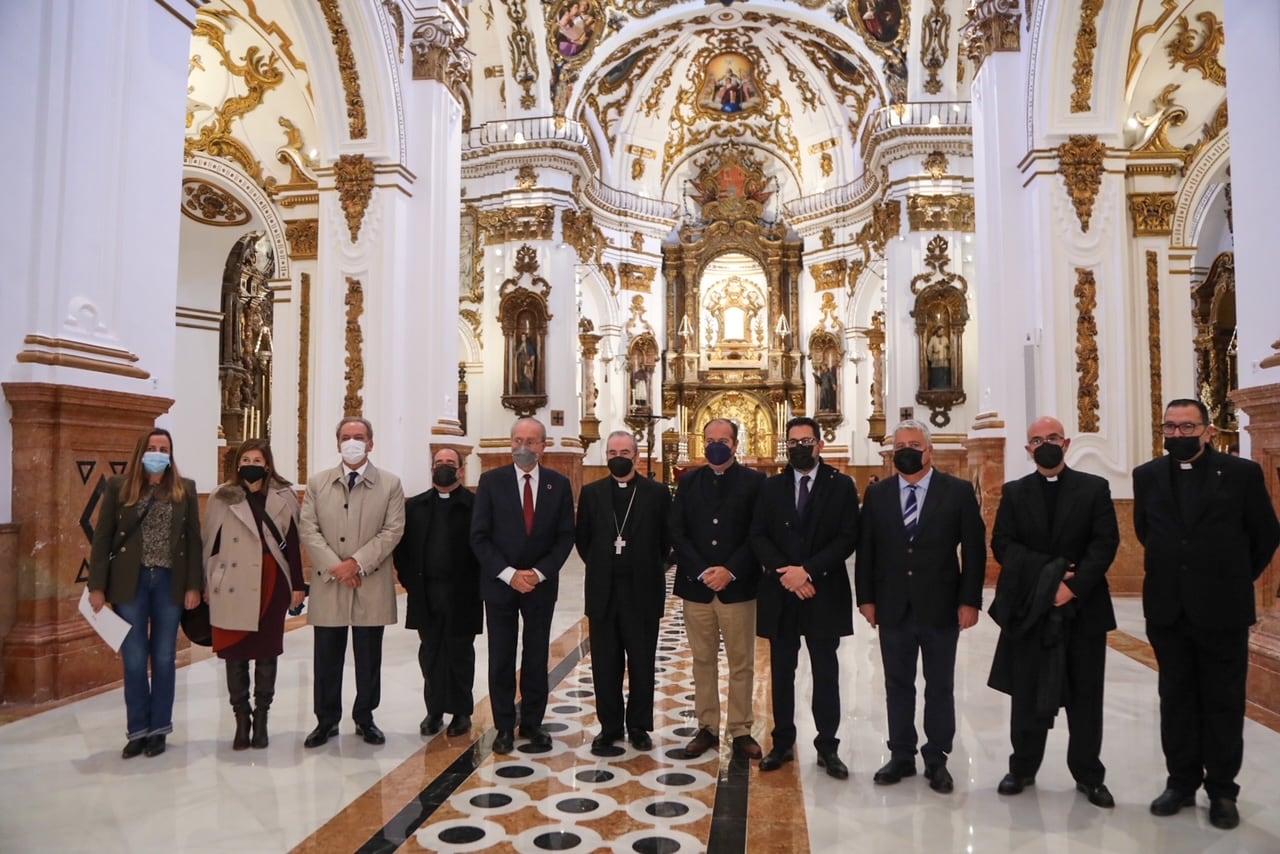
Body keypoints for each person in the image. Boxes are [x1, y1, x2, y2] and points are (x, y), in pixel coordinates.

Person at [1133, 398, 1280, 830]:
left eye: (1187, 427)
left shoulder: (1242, 474)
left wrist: (1233, 577)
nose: (1178, 435)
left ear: (1209, 431)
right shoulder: (1148, 476)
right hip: (1167, 609)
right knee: (1175, 699)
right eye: (1170, 427)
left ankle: (1221, 791)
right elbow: (1145, 531)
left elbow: (1266, 535)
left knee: (1222, 702)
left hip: (1222, 609)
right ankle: (1180, 782)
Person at [987, 416, 1120, 808]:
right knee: (1026, 692)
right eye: (1036, 439)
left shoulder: (1094, 488)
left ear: (1066, 443)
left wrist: (1071, 586)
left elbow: (1105, 543)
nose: (1044, 444)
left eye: (1052, 438)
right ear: (1028, 449)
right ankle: (1023, 767)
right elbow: (1002, 545)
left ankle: (1088, 774)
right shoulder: (1014, 493)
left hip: (1084, 608)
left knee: (1085, 695)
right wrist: (1049, 578)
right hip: (1031, 608)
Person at [855, 419, 986, 794]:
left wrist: (970, 601)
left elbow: (974, 552)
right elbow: (867, 550)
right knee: (897, 684)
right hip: (893, 605)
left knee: (940, 686)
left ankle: (937, 757)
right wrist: (866, 598)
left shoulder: (957, 492)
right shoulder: (878, 495)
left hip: (941, 606)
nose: (906, 451)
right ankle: (901, 753)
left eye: (914, 445)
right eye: (900, 447)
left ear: (929, 451)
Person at [751, 416, 859, 778]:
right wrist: (787, 573)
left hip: (823, 591)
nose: (800, 447)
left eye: (806, 441)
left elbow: (847, 537)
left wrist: (808, 570)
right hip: (782, 592)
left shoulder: (841, 485)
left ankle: (828, 746)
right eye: (793, 442)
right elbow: (759, 536)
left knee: (826, 672)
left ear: (820, 444)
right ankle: (782, 743)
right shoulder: (771, 487)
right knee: (781, 673)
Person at [87, 428, 203, 759]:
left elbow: (194, 540)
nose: (157, 452)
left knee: (164, 658)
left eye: (163, 448)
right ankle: (137, 729)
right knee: (135, 659)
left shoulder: (185, 489)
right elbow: (103, 537)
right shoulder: (118, 487)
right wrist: (97, 586)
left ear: (170, 454)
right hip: (130, 583)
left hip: (169, 582)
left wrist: (194, 585)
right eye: (152, 447)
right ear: (141, 452)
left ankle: (159, 729)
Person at [470, 417, 575, 754]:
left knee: (535, 653)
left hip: (540, 586)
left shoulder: (558, 484)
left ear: (543, 446)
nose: (523, 447)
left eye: (531, 441)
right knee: (501, 655)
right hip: (500, 584)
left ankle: (531, 722)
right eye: (517, 440)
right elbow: (480, 536)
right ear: (510, 443)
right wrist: (509, 574)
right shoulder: (490, 482)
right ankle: (503, 725)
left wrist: (538, 573)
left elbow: (564, 537)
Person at [299, 417, 405, 748]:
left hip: (369, 583)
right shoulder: (317, 484)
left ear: (371, 443)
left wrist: (357, 564)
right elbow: (308, 529)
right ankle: (326, 720)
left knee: (368, 656)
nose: (352, 442)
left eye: (359, 437)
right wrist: (337, 567)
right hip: (330, 583)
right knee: (326, 656)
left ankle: (365, 717)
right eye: (346, 437)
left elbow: (393, 531)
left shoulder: (389, 484)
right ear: (338, 444)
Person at [669, 418, 766, 760]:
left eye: (723, 440)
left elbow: (758, 532)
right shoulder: (689, 480)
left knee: (741, 663)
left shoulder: (755, 482)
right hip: (697, 588)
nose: (716, 445)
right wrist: (701, 570)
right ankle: (707, 726)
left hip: (737, 588)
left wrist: (730, 570)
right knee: (701, 660)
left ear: (736, 444)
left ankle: (740, 730)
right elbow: (677, 532)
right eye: (710, 439)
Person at [202, 438, 305, 750]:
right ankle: (241, 718)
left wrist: (298, 585)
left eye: (257, 460)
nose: (250, 464)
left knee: (266, 652)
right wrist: (207, 584)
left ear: (267, 464)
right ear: (237, 464)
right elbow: (210, 545)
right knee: (234, 654)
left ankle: (262, 719)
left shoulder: (284, 496)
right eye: (245, 459)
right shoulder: (222, 496)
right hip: (230, 582)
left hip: (271, 581)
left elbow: (294, 545)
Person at [575, 430, 671, 753]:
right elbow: (583, 540)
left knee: (642, 662)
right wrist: (605, 564)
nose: (619, 456)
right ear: (606, 456)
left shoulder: (656, 494)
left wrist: (645, 565)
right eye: (613, 451)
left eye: (625, 451)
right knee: (605, 663)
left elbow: (666, 541)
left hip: (643, 592)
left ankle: (639, 726)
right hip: (603, 592)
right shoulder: (592, 493)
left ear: (636, 456)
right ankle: (610, 726)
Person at [394, 447, 482, 738]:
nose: (444, 467)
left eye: (450, 463)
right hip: (426, 593)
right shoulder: (415, 506)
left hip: (463, 593)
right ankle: (433, 711)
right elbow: (403, 551)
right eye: (439, 463)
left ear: (461, 469)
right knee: (430, 653)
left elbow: (484, 549)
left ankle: (461, 712)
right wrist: (410, 583)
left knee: (459, 653)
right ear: (432, 468)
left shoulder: (475, 505)